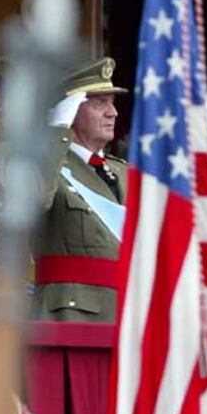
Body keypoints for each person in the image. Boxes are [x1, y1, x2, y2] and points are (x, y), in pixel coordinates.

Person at [31, 56, 128, 322]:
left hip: (127, 316)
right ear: (71, 110)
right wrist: (58, 134)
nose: (112, 113)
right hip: (73, 316)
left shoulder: (123, 171)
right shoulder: (43, 164)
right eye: (100, 103)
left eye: (112, 103)